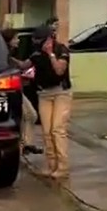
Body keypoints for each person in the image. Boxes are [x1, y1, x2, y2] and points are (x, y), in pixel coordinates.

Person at [30, 24, 72, 179]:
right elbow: (25, 65)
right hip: (44, 94)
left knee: (58, 129)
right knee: (47, 131)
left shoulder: (61, 50)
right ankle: (51, 165)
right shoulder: (36, 52)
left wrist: (50, 54)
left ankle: (63, 167)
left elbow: (60, 70)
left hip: (61, 92)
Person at [1, 27, 42, 155]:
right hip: (11, 92)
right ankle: (24, 144)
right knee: (29, 115)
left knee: (29, 115)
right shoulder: (4, 56)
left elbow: (20, 65)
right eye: (15, 38)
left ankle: (26, 144)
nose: (18, 41)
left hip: (16, 90)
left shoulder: (7, 55)